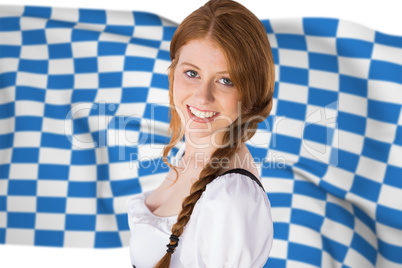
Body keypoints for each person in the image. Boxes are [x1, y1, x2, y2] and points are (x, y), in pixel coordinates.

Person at [127, 0, 275, 267]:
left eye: (225, 80)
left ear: (251, 93)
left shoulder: (230, 196)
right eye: (192, 73)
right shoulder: (192, 155)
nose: (202, 97)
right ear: (173, 73)